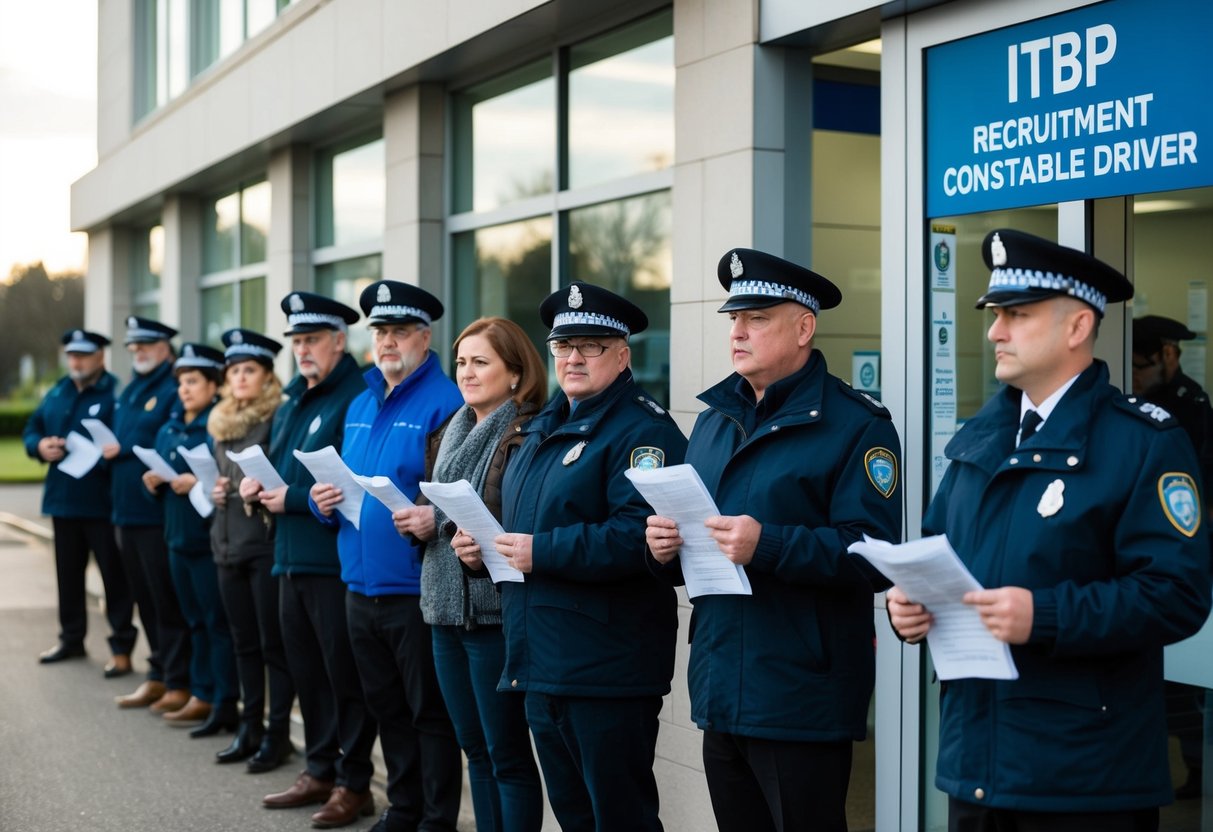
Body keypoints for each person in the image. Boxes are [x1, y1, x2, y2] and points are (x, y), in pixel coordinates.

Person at [887, 229, 1213, 831]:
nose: (994, 331)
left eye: (1017, 313)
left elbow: (1177, 594)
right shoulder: (977, 443)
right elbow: (937, 556)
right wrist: (910, 608)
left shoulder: (1143, 443)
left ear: (1077, 326)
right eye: (994, 314)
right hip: (977, 767)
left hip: (1085, 780)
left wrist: (1046, 615)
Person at [644, 249, 902, 832]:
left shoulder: (857, 424)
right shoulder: (716, 418)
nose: (737, 331)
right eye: (734, 318)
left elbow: (874, 555)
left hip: (799, 694)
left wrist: (769, 544)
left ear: (804, 326)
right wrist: (663, 549)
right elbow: (699, 537)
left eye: (757, 317)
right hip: (719, 682)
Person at [455, 283, 687, 831]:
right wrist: (482, 550)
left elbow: (639, 536)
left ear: (623, 354)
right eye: (564, 346)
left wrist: (541, 552)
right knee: (576, 817)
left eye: (592, 345)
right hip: (542, 660)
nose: (574, 358)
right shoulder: (541, 427)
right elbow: (523, 530)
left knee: (620, 818)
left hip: (605, 665)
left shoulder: (643, 431)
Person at [310, 281, 465, 832]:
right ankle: (402, 807)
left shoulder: (447, 402)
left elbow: (456, 494)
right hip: (358, 583)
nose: (388, 341)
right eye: (380, 331)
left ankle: (435, 816)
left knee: (429, 713)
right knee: (386, 708)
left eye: (400, 331)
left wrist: (432, 518)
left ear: (425, 337)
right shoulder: (359, 401)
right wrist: (320, 500)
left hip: (413, 586)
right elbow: (347, 486)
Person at [394, 317, 547, 832]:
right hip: (442, 607)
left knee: (507, 756)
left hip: (492, 614)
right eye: (461, 362)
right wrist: (422, 519)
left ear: (515, 373)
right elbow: (440, 502)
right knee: (474, 751)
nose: (466, 372)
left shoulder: (526, 432)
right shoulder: (453, 427)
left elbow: (520, 514)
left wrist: (444, 523)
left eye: (481, 362)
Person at [243, 292, 377, 827]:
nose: (302, 350)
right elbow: (282, 468)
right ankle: (319, 769)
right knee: (306, 673)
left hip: (331, 562)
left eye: (312, 340)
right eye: (297, 341)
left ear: (339, 342)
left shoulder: (355, 396)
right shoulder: (295, 398)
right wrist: (257, 485)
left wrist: (289, 499)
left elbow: (347, 484)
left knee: (342, 678)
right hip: (289, 559)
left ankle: (354, 782)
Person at [1132, 314, 1213, 800]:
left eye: (1142, 366)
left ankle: (1198, 771)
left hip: (1180, 556)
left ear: (1167, 355)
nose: (1135, 376)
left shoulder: (1190, 404)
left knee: (1184, 691)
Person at [208, 328, 296, 770]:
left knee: (271, 646)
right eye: (235, 370)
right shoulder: (220, 421)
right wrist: (218, 488)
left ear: (266, 376)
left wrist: (253, 489)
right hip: (225, 544)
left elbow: (278, 478)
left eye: (250, 370)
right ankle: (250, 727)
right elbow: (220, 477)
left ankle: (276, 734)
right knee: (243, 643)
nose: (240, 377)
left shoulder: (275, 417)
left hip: (262, 545)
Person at [24, 329, 136, 676]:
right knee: (67, 576)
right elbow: (33, 428)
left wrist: (103, 457)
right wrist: (39, 446)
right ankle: (71, 638)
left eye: (83, 355)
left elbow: (126, 441)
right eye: (72, 354)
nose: (76, 361)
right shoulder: (58, 390)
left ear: (100, 356)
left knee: (114, 579)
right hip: (63, 500)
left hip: (101, 503)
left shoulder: (116, 393)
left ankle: (121, 648)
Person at [142, 343, 239, 733]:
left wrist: (194, 482)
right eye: (181, 381)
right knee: (192, 619)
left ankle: (218, 697)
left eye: (193, 381)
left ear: (213, 384)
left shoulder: (214, 426)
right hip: (175, 535)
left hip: (205, 538)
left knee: (215, 622)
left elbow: (221, 481)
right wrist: (155, 480)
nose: (184, 388)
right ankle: (198, 691)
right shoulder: (171, 424)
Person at [107, 316, 193, 713]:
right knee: (144, 598)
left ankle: (178, 680)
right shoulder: (131, 387)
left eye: (145, 345)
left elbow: (165, 438)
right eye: (133, 347)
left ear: (164, 347)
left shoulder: (173, 386)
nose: (138, 352)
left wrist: (122, 448)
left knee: (165, 600)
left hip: (156, 515)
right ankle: (158, 673)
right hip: (126, 511)